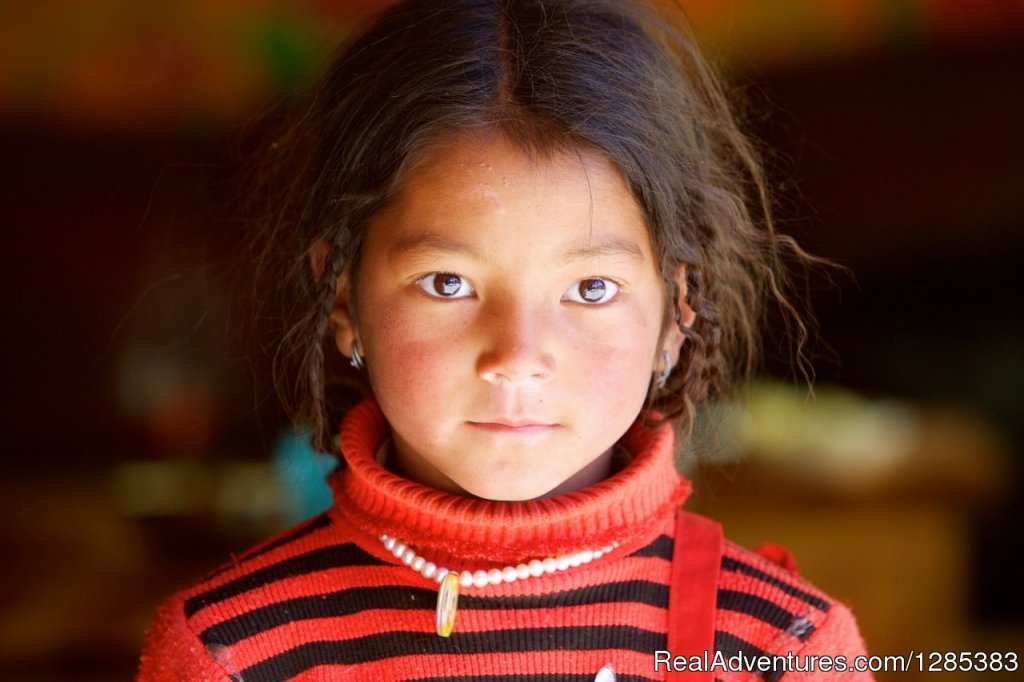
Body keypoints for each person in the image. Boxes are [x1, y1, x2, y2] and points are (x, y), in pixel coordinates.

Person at [138, 0, 872, 679]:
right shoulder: (229, 656)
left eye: (589, 289)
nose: (517, 357)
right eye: (448, 283)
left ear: (678, 311)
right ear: (342, 295)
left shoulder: (781, 650)